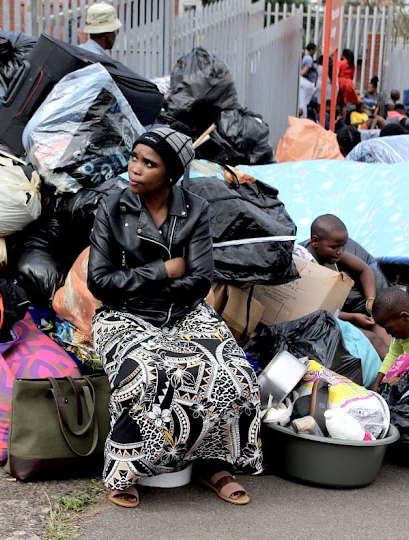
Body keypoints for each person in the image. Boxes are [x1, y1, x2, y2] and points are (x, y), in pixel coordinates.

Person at [88, 127, 263, 509]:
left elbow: (199, 281)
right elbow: (100, 283)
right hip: (123, 316)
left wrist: (138, 282)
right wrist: (163, 271)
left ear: (170, 174)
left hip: (185, 312)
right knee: (147, 373)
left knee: (235, 373)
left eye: (148, 163)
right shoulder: (112, 208)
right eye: (134, 158)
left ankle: (212, 463)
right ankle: (126, 470)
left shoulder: (195, 210)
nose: (135, 169)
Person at [300, 215, 390, 358]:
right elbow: (317, 311)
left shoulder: (333, 257)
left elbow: (365, 270)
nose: (340, 251)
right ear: (315, 241)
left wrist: (370, 300)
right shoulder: (306, 267)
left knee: (379, 325)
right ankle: (394, 371)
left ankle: (400, 364)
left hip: (343, 313)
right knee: (374, 341)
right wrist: (353, 318)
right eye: (334, 247)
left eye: (342, 246)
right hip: (325, 322)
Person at [299, 42, 318, 116]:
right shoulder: (309, 59)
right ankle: (303, 119)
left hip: (305, 82)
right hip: (307, 82)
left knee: (302, 102)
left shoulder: (306, 58)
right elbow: (304, 72)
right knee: (303, 103)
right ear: (312, 50)